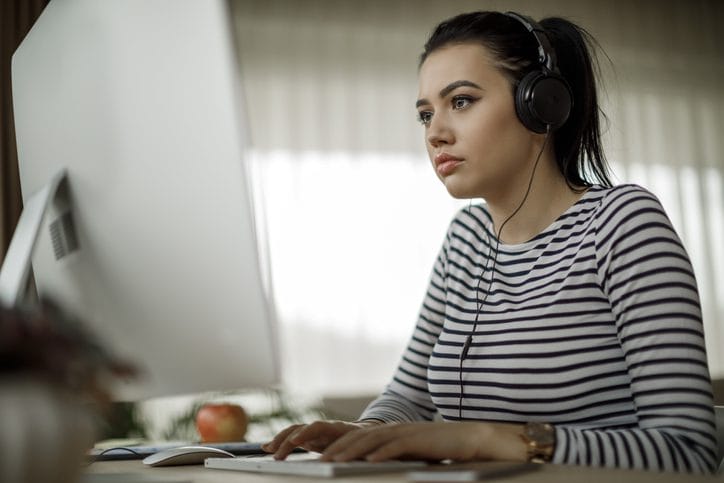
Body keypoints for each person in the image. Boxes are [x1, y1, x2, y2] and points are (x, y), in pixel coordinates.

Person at [262, 10, 717, 473]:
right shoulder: (465, 239)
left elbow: (687, 451)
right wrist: (366, 431)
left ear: (540, 105)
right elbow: (409, 395)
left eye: (460, 101)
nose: (435, 132)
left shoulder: (622, 224)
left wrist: (484, 437)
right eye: (425, 114)